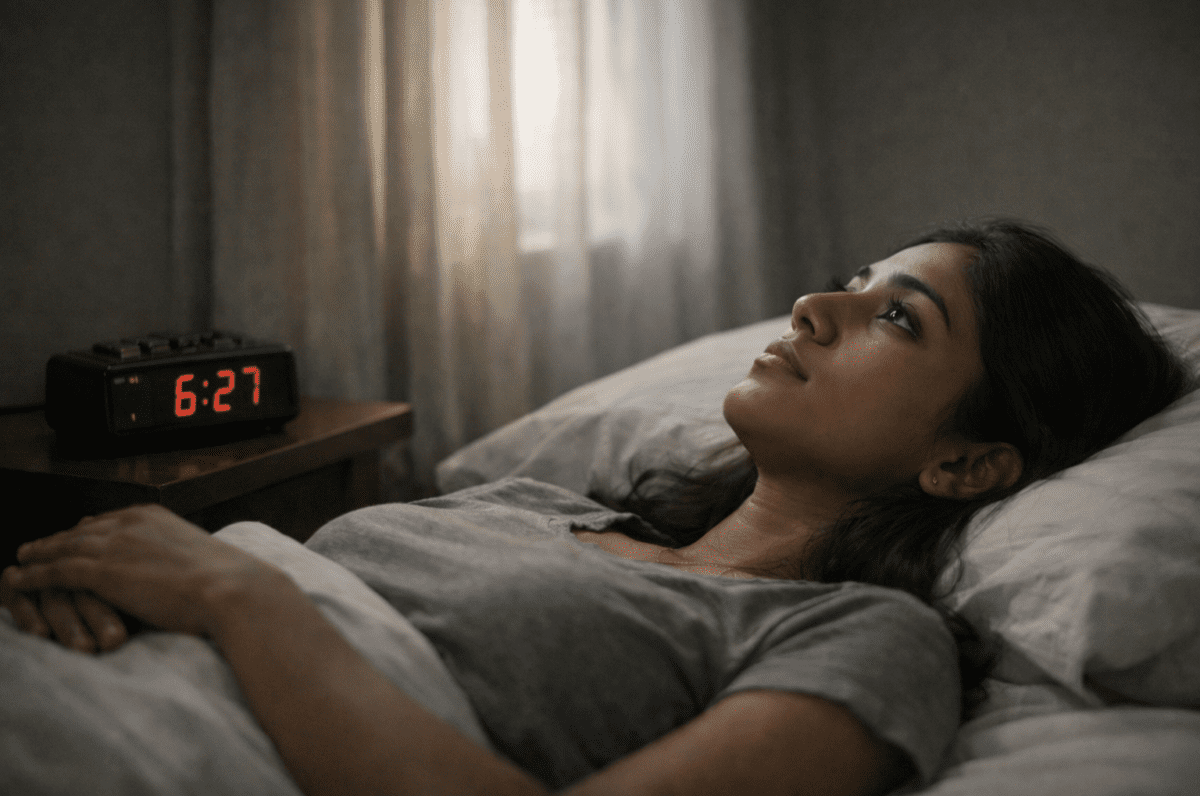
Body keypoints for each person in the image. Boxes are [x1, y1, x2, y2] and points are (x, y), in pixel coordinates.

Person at [2, 220, 1193, 796]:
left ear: (970, 465)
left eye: (898, 316)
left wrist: (233, 592)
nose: (815, 302)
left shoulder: (860, 637)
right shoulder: (529, 501)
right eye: (858, 276)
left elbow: (254, 602)